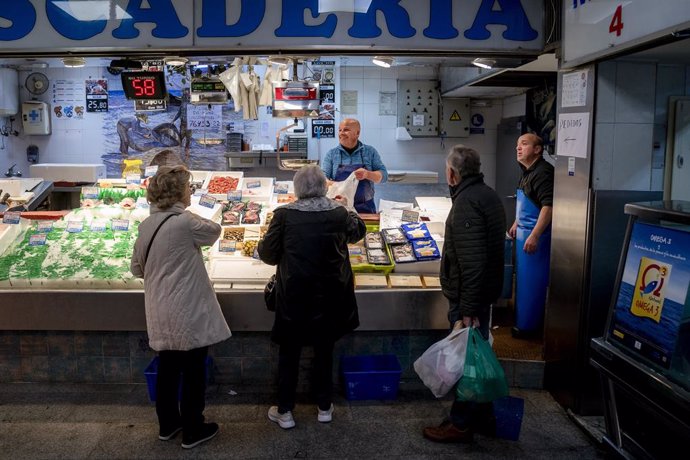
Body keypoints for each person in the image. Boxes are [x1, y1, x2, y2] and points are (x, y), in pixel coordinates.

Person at [258, 165, 366, 429]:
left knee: (289, 351)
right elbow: (359, 232)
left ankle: (285, 411)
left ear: (297, 189)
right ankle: (324, 407)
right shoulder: (339, 213)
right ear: (324, 187)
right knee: (324, 349)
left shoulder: (283, 215)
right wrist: (349, 206)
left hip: (294, 295)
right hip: (330, 296)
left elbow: (267, 254)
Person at [130, 165, 231, 449]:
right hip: (186, 309)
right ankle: (193, 429)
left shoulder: (147, 225)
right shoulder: (185, 222)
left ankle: (168, 424)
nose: (190, 190)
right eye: (187, 186)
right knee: (194, 369)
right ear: (177, 192)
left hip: (159, 309)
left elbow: (136, 268)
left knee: (168, 368)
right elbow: (214, 232)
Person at [423, 145, 506, 444]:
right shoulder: (487, 194)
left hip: (470, 297)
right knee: (477, 356)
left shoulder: (468, 202)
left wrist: (467, 308)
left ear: (452, 173)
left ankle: (460, 424)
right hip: (483, 293)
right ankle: (485, 418)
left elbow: (473, 262)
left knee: (466, 360)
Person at [508, 133, 554, 338]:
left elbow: (548, 206)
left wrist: (535, 235)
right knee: (524, 284)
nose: (518, 148)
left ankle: (531, 328)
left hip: (538, 239)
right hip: (523, 234)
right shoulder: (527, 171)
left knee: (533, 285)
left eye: (524, 144)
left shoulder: (543, 172)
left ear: (538, 149)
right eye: (517, 145)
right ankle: (523, 322)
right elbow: (529, 199)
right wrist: (517, 222)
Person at [321, 118, 388, 214]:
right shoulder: (331, 154)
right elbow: (322, 179)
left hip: (366, 208)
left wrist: (367, 174)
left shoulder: (370, 152)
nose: (341, 133)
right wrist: (340, 185)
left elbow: (384, 176)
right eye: (340, 130)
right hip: (339, 208)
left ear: (357, 133)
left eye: (346, 130)